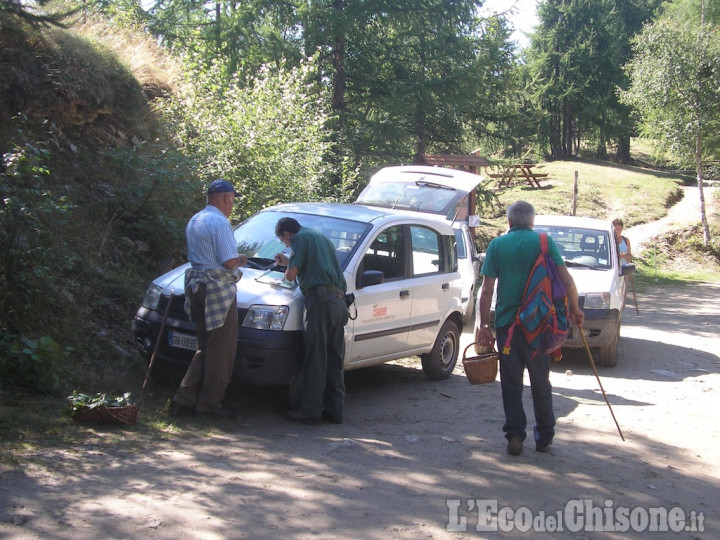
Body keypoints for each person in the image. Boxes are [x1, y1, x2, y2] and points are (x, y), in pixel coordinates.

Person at [476, 201, 584, 455]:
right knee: (540, 381)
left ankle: (515, 434)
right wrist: (575, 310)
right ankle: (544, 435)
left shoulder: (497, 245)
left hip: (507, 328)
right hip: (538, 327)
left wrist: (482, 325)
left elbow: (487, 290)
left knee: (511, 383)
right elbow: (568, 281)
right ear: (532, 222)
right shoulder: (544, 243)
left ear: (509, 222)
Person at [169, 179, 247, 420]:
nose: (232, 205)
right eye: (232, 200)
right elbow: (229, 262)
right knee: (221, 349)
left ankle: (183, 401)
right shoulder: (220, 223)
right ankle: (209, 405)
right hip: (217, 289)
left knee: (205, 346)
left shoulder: (196, 219)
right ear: (227, 198)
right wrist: (243, 257)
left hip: (196, 285)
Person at [274, 217, 348, 424]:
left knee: (316, 357)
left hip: (320, 302)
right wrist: (289, 261)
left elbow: (290, 276)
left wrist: (286, 270)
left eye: (284, 242)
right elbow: (316, 265)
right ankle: (335, 411)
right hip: (339, 302)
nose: (286, 245)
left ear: (287, 234)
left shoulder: (299, 239)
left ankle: (310, 410)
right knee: (334, 359)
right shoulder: (320, 237)